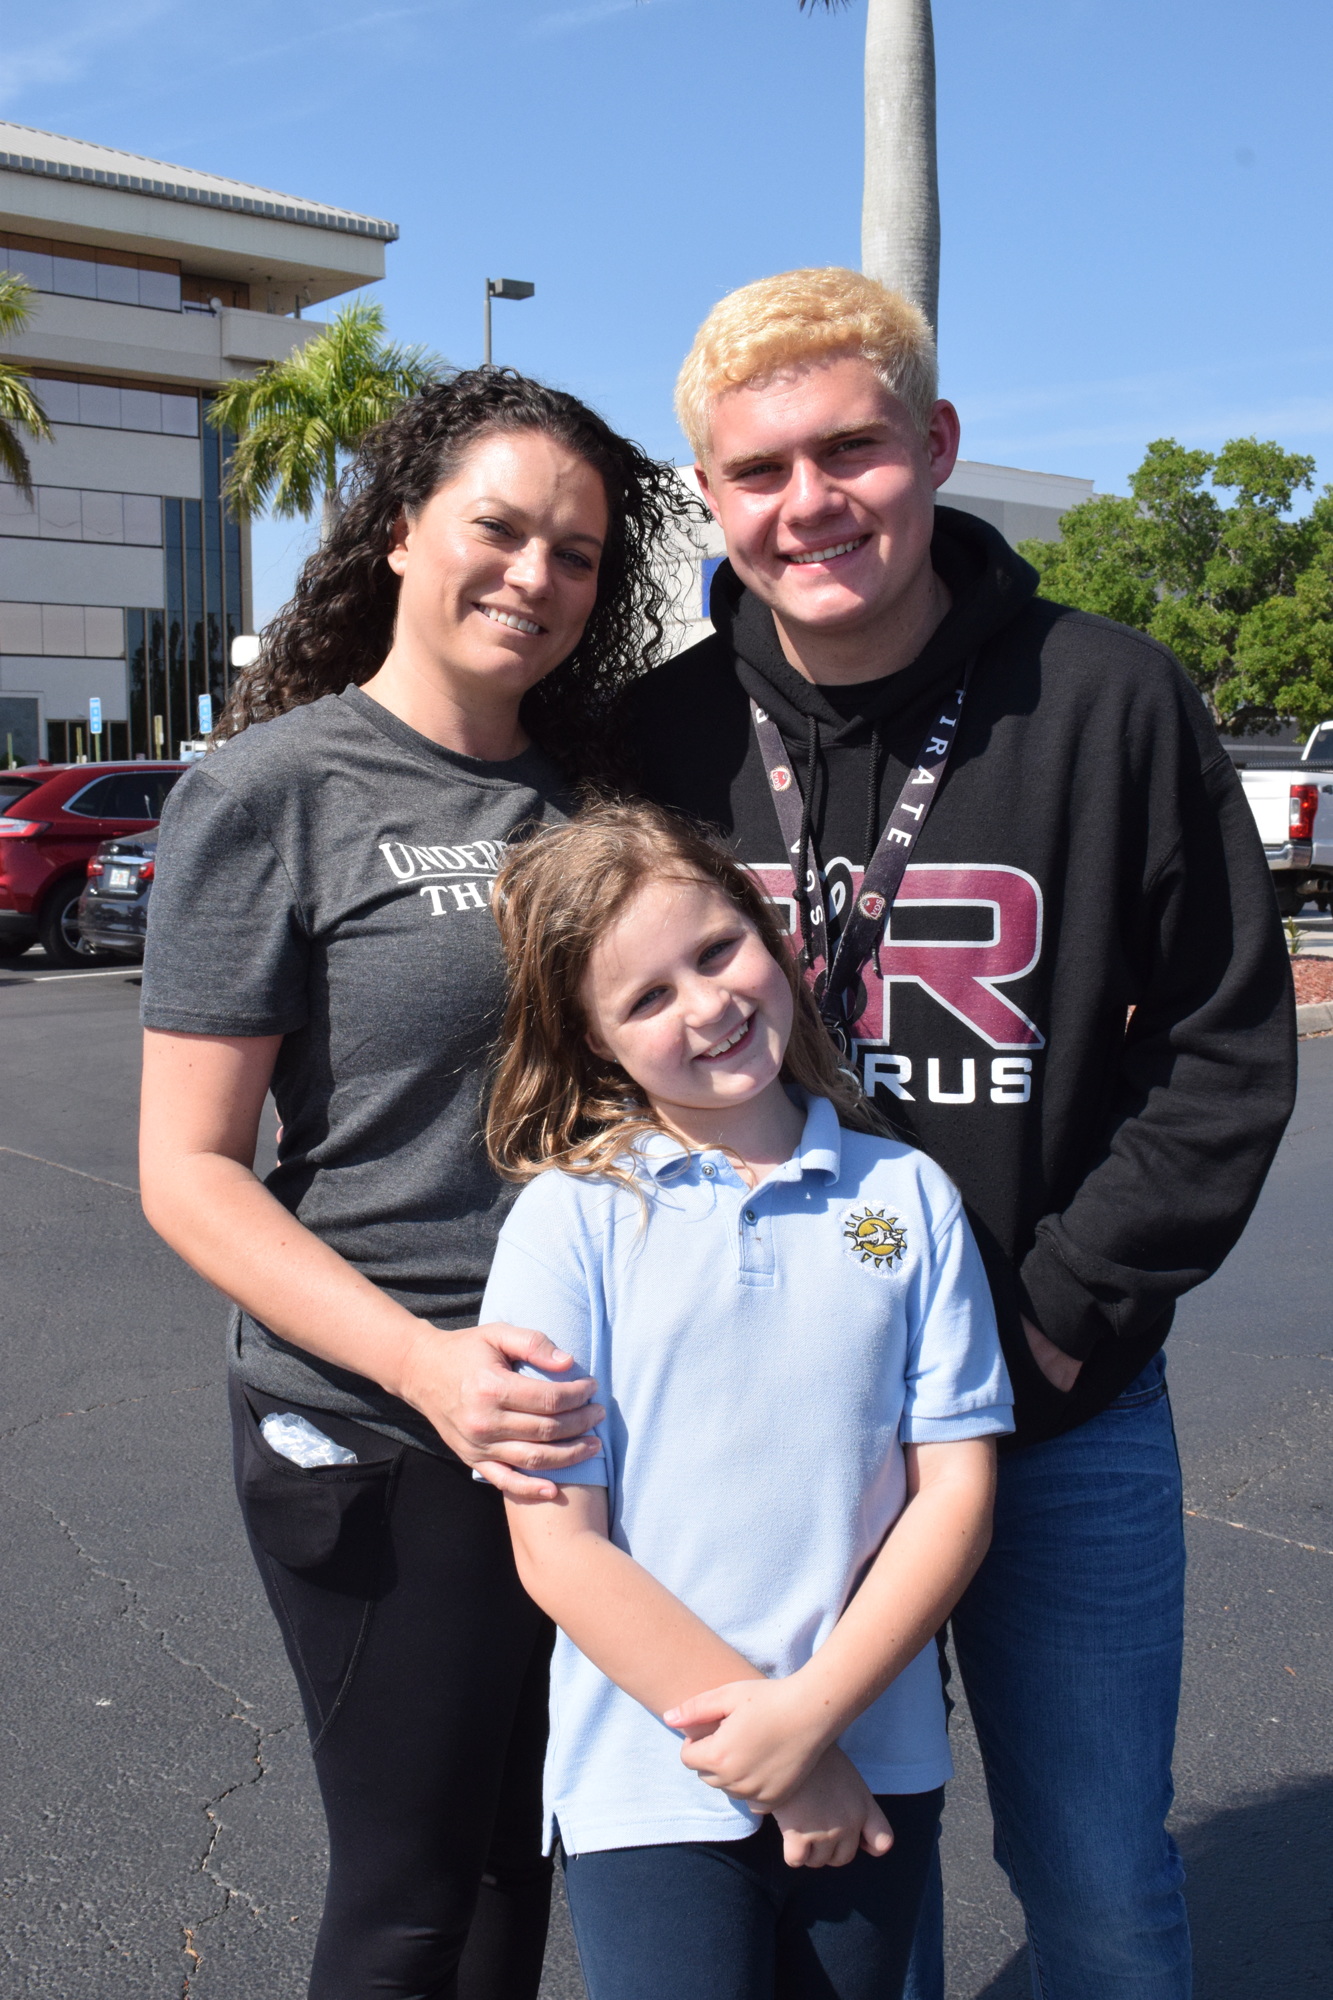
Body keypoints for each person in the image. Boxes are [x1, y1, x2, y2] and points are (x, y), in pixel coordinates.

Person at [619, 268, 1298, 1999]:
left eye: (848, 449)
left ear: (932, 445)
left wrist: (1055, 1316)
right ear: (709, 490)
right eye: (755, 471)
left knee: (1091, 1885)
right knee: (850, 1885)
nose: (806, 503)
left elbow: (1220, 1050)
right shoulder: (654, 741)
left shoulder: (1109, 700)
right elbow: (580, 1058)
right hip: (774, 1437)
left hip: (1055, 1411)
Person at [137, 371, 693, 2000]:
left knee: (527, 1848)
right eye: (498, 529)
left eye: (578, 554)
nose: (534, 575)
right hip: (386, 1422)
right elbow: (186, 1169)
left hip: (590, 1408)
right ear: (400, 536)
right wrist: (425, 1367)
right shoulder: (273, 791)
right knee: (410, 1885)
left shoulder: (598, 796)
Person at [477, 799, 1014, 2000]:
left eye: (717, 951)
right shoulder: (573, 1221)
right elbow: (560, 1548)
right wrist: (777, 1757)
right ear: (595, 1042)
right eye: (646, 997)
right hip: (647, 1774)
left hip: (871, 1749)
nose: (707, 1004)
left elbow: (954, 1496)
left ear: (768, 935)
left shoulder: (909, 1195)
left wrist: (815, 1721)